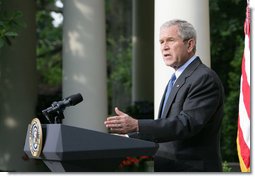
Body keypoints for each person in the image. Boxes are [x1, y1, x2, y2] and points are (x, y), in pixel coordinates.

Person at [104, 19, 224, 172]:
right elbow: (165, 127)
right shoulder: (177, 79)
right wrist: (127, 138)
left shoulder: (203, 78)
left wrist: (137, 125)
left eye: (170, 40)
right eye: (161, 42)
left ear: (190, 44)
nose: (164, 47)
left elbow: (185, 124)